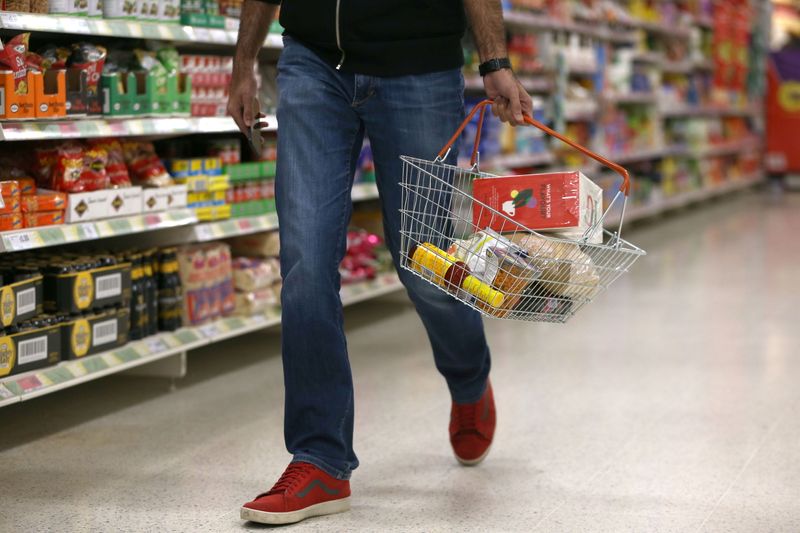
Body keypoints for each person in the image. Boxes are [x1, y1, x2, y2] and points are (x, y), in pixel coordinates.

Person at [228, 0, 532, 525]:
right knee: (304, 260)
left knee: (426, 264)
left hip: (419, 69)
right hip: (313, 61)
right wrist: (243, 65)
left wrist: (494, 60)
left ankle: (467, 375)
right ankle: (320, 458)